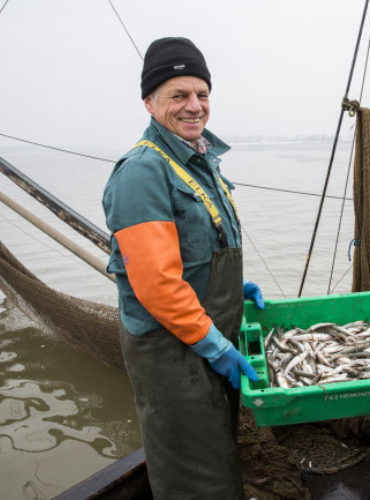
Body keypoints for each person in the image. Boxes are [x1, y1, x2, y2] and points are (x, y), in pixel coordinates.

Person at [102, 37, 264, 499]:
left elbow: (194, 248)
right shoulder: (142, 172)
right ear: (150, 103)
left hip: (205, 336)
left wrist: (235, 286)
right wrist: (215, 346)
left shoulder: (199, 159)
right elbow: (154, 283)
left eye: (202, 94)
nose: (195, 106)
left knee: (216, 451)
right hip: (172, 354)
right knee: (196, 477)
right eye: (179, 95)